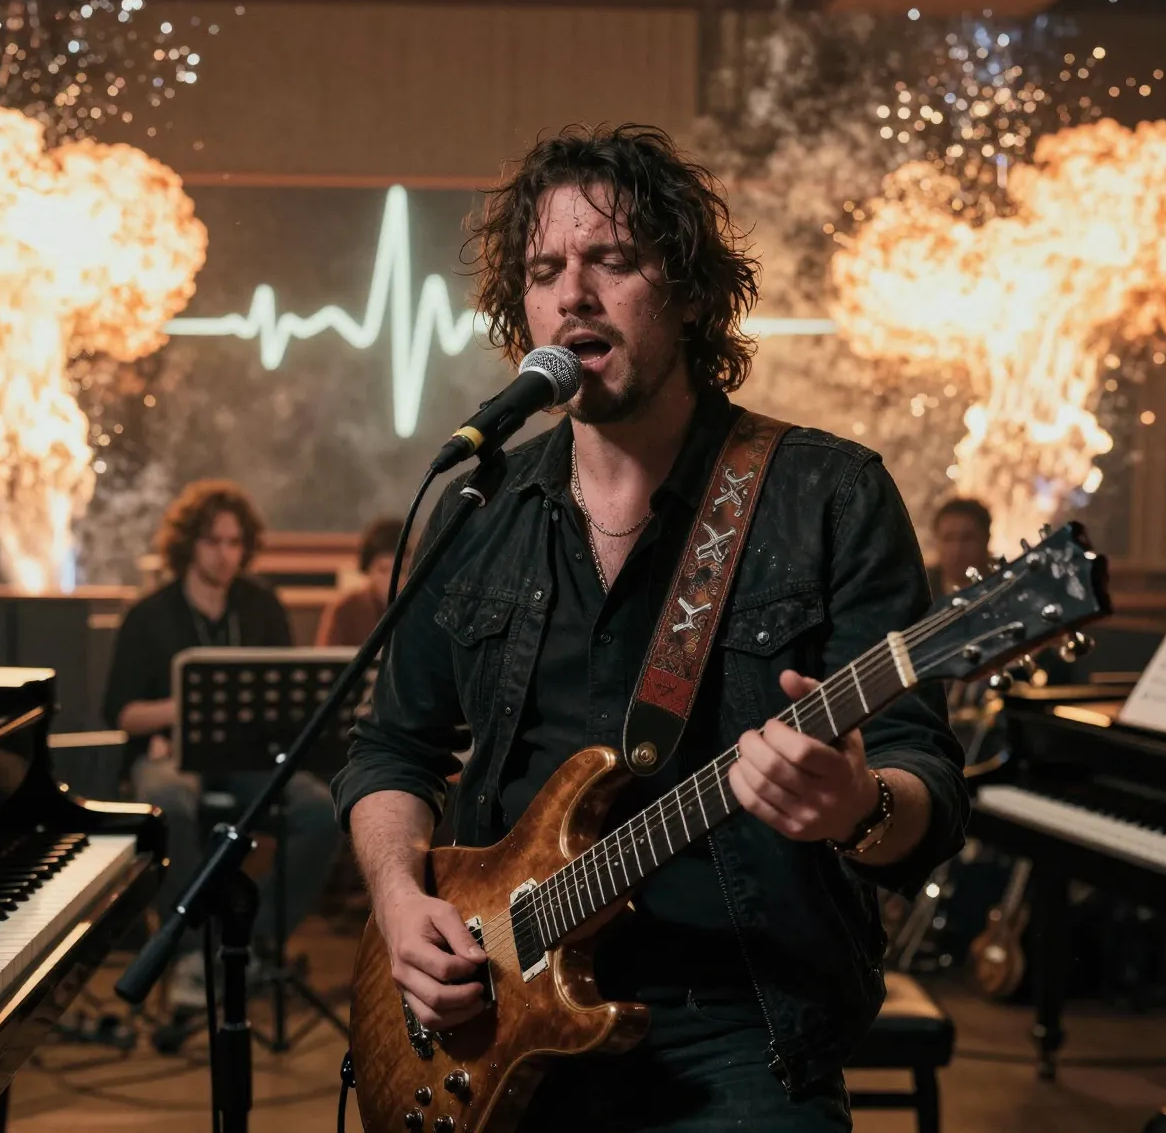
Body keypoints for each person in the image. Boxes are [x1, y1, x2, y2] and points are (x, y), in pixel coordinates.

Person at [332, 124, 968, 1130]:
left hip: (740, 1027)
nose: (572, 295)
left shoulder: (824, 497)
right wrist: (399, 903)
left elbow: (922, 780)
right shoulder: (480, 511)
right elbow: (390, 752)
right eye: (544, 270)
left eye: (613, 260)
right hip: (496, 1018)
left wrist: (857, 807)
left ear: (689, 293)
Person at [101, 479, 340, 1001]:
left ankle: (248, 941)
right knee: (166, 801)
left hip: (247, 756)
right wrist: (186, 710)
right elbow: (122, 714)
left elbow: (284, 698)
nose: (225, 554)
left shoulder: (261, 606)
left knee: (323, 812)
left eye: (235, 542)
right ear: (189, 543)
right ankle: (190, 953)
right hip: (171, 754)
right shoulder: (149, 614)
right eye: (213, 541)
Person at [314, 517, 403, 646]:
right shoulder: (345, 609)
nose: (392, 579)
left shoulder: (420, 607)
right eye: (383, 570)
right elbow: (327, 656)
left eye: (401, 570)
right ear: (368, 570)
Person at [927, 496, 994, 600]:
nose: (957, 549)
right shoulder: (921, 590)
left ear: (986, 539)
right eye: (948, 539)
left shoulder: (1005, 585)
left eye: (968, 538)